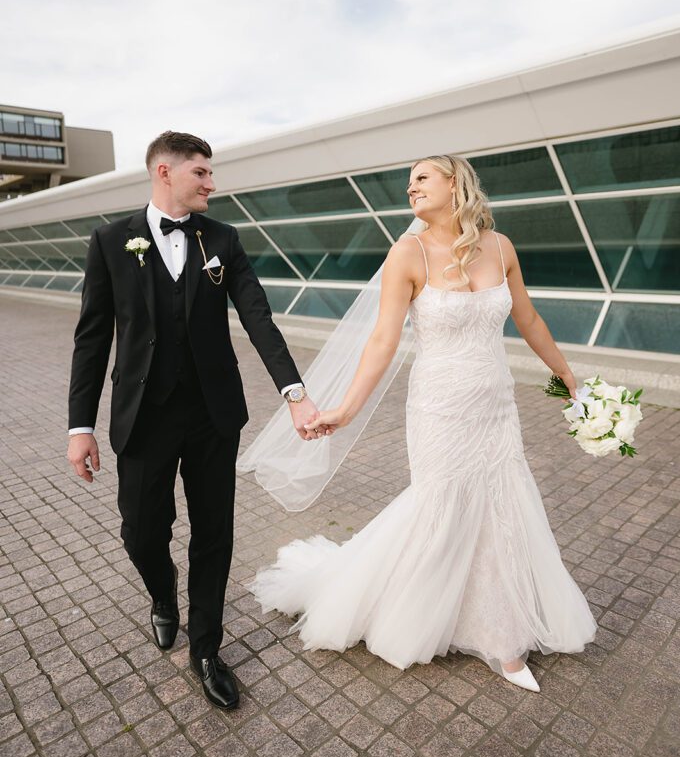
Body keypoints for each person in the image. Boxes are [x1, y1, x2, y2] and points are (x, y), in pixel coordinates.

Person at [251, 154, 598, 692]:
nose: (410, 187)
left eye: (422, 178)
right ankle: (445, 622)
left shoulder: (501, 247)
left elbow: (526, 316)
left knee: (501, 506)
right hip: (439, 407)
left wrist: (567, 376)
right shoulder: (406, 253)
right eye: (408, 181)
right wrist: (345, 408)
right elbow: (383, 340)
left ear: (455, 183)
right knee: (442, 505)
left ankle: (500, 631)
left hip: (496, 405)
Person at [67, 130, 321, 711]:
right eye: (201, 173)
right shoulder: (111, 241)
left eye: (211, 173)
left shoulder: (224, 240)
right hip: (143, 418)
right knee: (141, 531)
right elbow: (91, 340)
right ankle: (163, 595)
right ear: (165, 173)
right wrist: (79, 426)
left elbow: (258, 317)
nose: (212, 182)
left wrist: (295, 393)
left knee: (214, 533)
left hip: (213, 416)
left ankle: (206, 648)